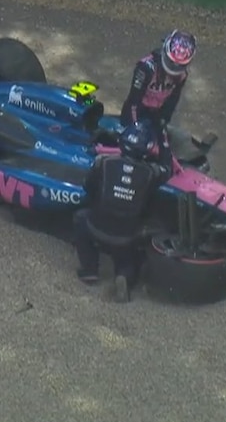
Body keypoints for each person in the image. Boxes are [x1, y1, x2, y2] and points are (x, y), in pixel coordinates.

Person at [73, 122, 171, 303]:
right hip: (126, 236)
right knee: (131, 252)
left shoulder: (102, 162)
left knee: (80, 218)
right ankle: (123, 275)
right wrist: (164, 140)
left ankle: (89, 270)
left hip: (96, 226)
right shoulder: (152, 173)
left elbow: (87, 187)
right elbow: (168, 167)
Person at [119, 29, 197, 168]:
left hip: (156, 115)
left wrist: (163, 121)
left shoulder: (182, 75)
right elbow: (133, 101)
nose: (174, 68)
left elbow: (172, 101)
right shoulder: (145, 68)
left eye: (179, 65)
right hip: (137, 111)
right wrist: (135, 126)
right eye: (172, 63)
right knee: (135, 148)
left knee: (164, 155)